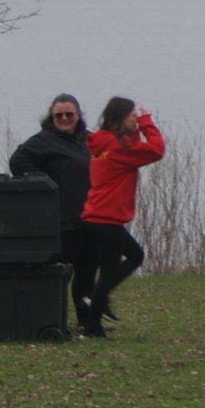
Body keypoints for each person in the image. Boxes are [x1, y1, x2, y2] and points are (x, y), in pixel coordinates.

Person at [8, 92, 99, 330]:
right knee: (60, 274)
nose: (64, 118)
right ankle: (50, 321)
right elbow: (18, 161)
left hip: (92, 216)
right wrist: (46, 185)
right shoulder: (44, 140)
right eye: (59, 115)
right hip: (64, 219)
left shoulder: (89, 140)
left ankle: (87, 321)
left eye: (69, 114)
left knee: (87, 274)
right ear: (52, 117)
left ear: (78, 116)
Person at [81, 96, 165, 338]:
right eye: (132, 116)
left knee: (135, 255)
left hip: (98, 218)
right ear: (120, 118)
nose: (135, 120)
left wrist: (135, 130)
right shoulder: (119, 148)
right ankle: (93, 326)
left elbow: (133, 150)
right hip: (106, 219)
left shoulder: (104, 143)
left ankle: (100, 297)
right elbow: (156, 150)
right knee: (108, 273)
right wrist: (147, 122)